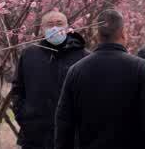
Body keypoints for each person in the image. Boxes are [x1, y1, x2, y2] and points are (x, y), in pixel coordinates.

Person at [53, 9, 145, 149]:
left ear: (97, 35)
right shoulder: (140, 68)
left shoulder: (76, 71)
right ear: (123, 33)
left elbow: (64, 123)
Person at [10, 10, 89, 149]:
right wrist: (25, 118)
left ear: (68, 27)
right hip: (34, 136)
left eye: (59, 24)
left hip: (73, 137)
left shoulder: (83, 56)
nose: (55, 28)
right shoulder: (29, 55)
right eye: (49, 24)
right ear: (42, 28)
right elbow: (17, 90)